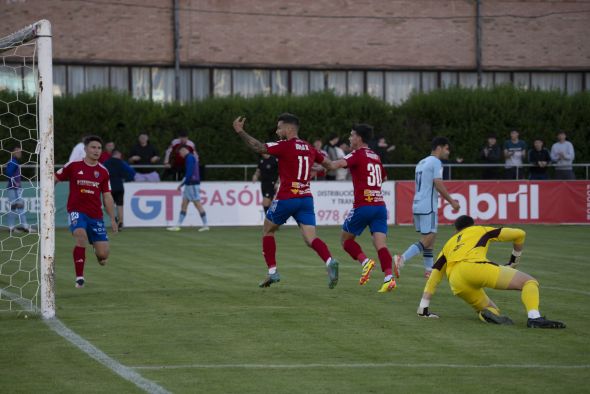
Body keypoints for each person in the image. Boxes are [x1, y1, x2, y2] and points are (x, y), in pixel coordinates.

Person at [232, 113, 339, 289]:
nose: (277, 130)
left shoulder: (284, 146)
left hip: (287, 197)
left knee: (268, 231)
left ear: (289, 129)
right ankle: (329, 260)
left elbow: (258, 147)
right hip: (305, 198)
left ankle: (273, 272)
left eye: (279, 127)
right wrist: (317, 169)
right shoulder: (309, 147)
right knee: (310, 238)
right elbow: (329, 165)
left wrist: (240, 132)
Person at [413, 215, 566, 329]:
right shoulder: (479, 229)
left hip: (457, 282)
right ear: (472, 224)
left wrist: (423, 307)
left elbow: (435, 274)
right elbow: (520, 234)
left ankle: (485, 315)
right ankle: (534, 317)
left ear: (457, 230)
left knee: (491, 309)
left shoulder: (450, 243)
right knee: (529, 282)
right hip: (475, 267)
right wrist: (514, 261)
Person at [326, 124, 397, 292]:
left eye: (351, 135)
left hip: (364, 206)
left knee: (345, 240)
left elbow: (335, 165)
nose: (349, 138)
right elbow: (384, 177)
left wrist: (320, 163)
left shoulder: (357, 154)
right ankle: (388, 277)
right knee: (381, 245)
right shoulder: (375, 156)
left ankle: (365, 262)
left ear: (359, 138)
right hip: (379, 206)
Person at [55, 135, 118, 288]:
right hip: (76, 211)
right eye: (93, 147)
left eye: (99, 148)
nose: (96, 151)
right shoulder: (74, 165)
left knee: (103, 256)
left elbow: (107, 196)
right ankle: (79, 278)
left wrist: (113, 219)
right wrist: (47, 195)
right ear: (85, 149)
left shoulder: (103, 171)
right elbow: (55, 177)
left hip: (95, 215)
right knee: (80, 236)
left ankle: (97, 248)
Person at [395, 137, 461, 278]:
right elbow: (438, 183)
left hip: (418, 203)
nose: (448, 152)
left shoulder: (421, 162)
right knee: (428, 238)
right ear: (439, 147)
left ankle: (429, 270)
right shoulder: (436, 162)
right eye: (447, 148)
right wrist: (452, 202)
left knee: (430, 238)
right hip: (428, 205)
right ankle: (402, 258)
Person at [167, 147, 209, 232]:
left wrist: (183, 184)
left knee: (197, 204)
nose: (180, 155)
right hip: (190, 184)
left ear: (184, 151)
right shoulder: (190, 157)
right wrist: (182, 185)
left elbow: (189, 173)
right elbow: (189, 173)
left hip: (191, 184)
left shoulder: (189, 158)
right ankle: (178, 225)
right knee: (184, 204)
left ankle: (205, 225)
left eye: (180, 153)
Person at [103, 149, 136, 230]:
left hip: (108, 187)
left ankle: (114, 218)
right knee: (120, 205)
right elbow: (131, 173)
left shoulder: (106, 163)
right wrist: (126, 178)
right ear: (118, 154)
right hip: (119, 186)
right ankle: (120, 222)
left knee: (106, 205)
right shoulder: (122, 163)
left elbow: (100, 172)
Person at [5, 146, 30, 232]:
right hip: (14, 188)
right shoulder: (13, 162)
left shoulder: (14, 161)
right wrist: (15, 183)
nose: (20, 153)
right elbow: (8, 173)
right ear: (13, 153)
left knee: (17, 207)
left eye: (20, 152)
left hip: (15, 188)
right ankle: (21, 227)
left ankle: (20, 226)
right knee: (17, 207)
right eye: (18, 152)